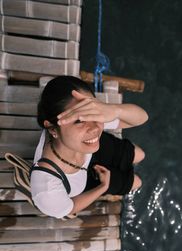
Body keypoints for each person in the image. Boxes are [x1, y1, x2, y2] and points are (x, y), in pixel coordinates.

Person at [30, 75, 148, 219]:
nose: (95, 128)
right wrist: (102, 187)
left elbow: (141, 118)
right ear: (52, 129)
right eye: (79, 121)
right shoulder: (46, 187)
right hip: (86, 172)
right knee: (137, 182)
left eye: (92, 112)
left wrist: (115, 110)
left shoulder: (92, 122)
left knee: (140, 154)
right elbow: (69, 208)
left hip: (85, 145)